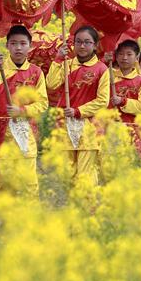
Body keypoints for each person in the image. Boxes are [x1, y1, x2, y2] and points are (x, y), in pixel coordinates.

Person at [0, 25, 48, 195]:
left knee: (29, 183)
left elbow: (42, 104)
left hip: (26, 130)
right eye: (13, 43)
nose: (18, 48)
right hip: (1, 131)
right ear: (7, 46)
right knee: (4, 183)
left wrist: (22, 110)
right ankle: (7, 219)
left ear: (30, 46)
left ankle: (30, 218)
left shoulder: (36, 72)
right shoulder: (0, 69)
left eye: (22, 43)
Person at [46, 26, 110, 187]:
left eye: (87, 42)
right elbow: (51, 84)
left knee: (86, 173)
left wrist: (78, 111)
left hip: (89, 126)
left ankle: (88, 208)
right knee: (68, 173)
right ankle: (73, 207)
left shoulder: (102, 69)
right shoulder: (67, 65)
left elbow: (103, 100)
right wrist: (58, 59)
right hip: (65, 124)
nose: (82, 46)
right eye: (79, 42)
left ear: (95, 45)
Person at [110, 39, 141, 154]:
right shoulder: (109, 76)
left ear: (137, 57)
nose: (124, 58)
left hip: (133, 128)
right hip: (111, 126)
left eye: (129, 54)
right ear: (116, 57)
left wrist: (123, 101)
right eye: (121, 54)